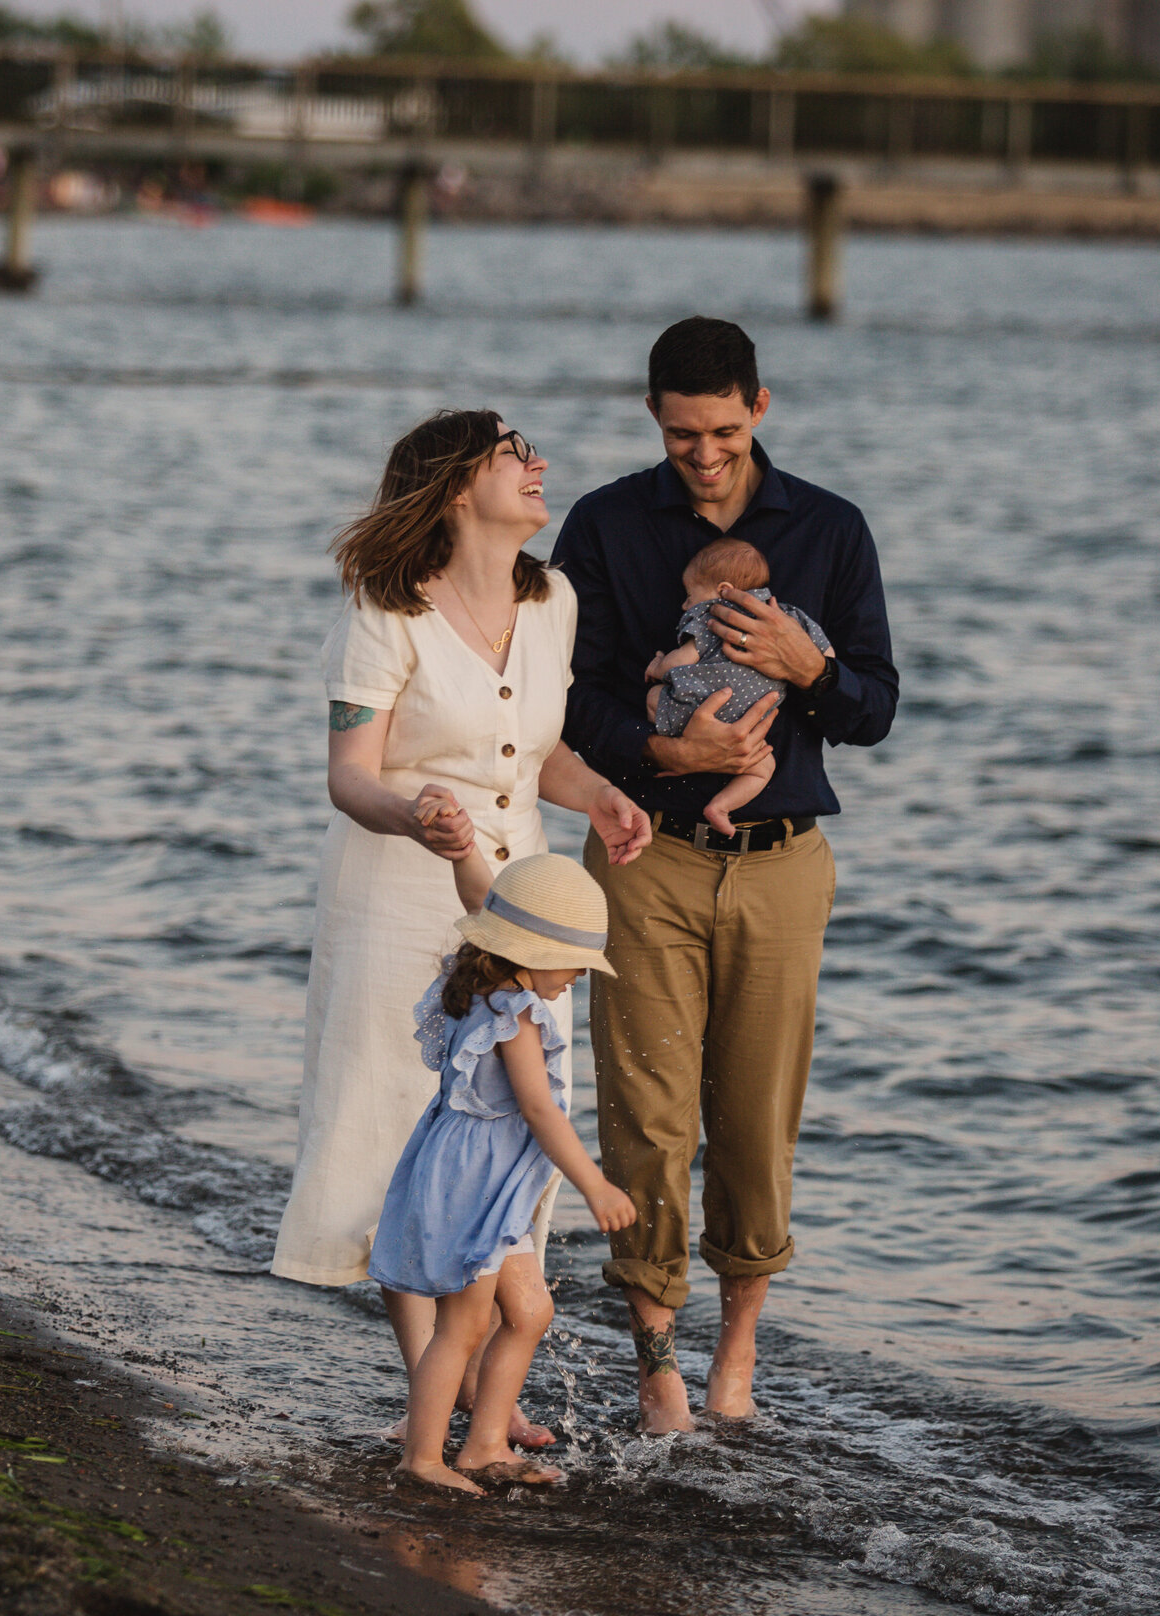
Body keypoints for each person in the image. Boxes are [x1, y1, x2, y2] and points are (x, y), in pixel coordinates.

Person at [273, 409, 652, 1449]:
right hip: (396, 892)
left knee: (516, 1113)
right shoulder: (385, 608)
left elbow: (535, 754)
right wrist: (415, 813)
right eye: (511, 453)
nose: (538, 464)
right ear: (454, 488)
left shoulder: (552, 600)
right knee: (396, 1120)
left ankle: (486, 1373)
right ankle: (437, 1383)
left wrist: (601, 794)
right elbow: (349, 775)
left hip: (519, 901)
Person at [554, 317, 898, 1433]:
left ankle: (736, 1352)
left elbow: (876, 709)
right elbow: (565, 694)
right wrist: (666, 752)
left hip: (783, 866)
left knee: (755, 1122)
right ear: (652, 417)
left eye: (721, 431)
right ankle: (657, 1360)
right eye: (678, 435)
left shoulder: (832, 530)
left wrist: (812, 669)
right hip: (641, 858)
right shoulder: (605, 524)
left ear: (760, 406)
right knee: (645, 1121)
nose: (701, 455)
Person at [371, 852, 639, 1494]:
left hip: (490, 1184)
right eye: (573, 963)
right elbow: (540, 1110)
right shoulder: (513, 1014)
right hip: (473, 1187)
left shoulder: (480, 988)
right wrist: (594, 1184)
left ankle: (486, 1445)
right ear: (531, 953)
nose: (578, 977)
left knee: (530, 1310)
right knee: (461, 1327)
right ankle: (424, 1457)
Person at [641, 536, 834, 838]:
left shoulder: (708, 615)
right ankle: (720, 807)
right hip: (748, 724)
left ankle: (687, 748)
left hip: (697, 710)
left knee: (654, 697)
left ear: (723, 590)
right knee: (763, 768)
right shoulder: (790, 617)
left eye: (689, 595)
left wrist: (657, 666)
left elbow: (681, 661)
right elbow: (827, 659)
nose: (685, 604)